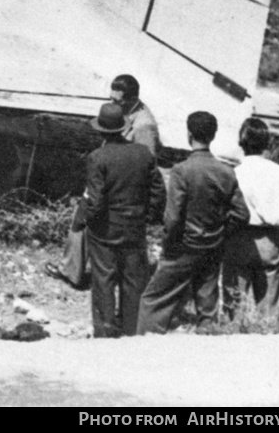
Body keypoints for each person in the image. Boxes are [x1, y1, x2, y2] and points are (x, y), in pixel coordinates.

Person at [137, 111, 248, 334]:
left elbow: (174, 216)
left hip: (183, 247)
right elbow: (241, 214)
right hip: (212, 248)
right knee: (207, 307)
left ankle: (144, 348)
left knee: (152, 300)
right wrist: (220, 233)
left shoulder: (181, 171)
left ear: (189, 134)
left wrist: (169, 243)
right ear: (213, 135)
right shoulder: (226, 172)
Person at [82, 102, 165, 337]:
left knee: (104, 281)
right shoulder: (143, 154)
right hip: (134, 228)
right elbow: (158, 192)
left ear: (100, 131)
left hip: (104, 231)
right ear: (123, 127)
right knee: (134, 282)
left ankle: (105, 331)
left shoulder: (97, 157)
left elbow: (95, 201)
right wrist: (147, 217)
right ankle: (131, 331)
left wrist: (88, 221)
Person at [220, 118, 279, 316]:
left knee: (234, 305)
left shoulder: (235, 173)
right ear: (266, 142)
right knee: (269, 309)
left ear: (241, 143)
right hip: (270, 238)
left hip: (239, 239)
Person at [109, 74, 160, 158]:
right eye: (111, 98)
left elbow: (146, 163)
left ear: (133, 100)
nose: (112, 104)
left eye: (117, 101)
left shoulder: (145, 126)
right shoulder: (125, 109)